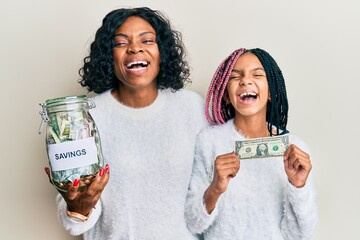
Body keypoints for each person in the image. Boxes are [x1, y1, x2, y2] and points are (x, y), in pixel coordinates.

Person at [44, 7, 207, 239]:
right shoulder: (88, 117)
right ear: (109, 56)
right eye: (121, 43)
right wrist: (79, 208)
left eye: (147, 40)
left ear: (162, 51)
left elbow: (208, 192)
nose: (135, 48)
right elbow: (76, 222)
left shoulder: (191, 108)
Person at [185, 48, 317, 239]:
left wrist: (298, 186)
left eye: (257, 74)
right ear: (226, 95)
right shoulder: (209, 142)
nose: (246, 80)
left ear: (271, 91)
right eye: (235, 76)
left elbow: (300, 235)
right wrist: (215, 188)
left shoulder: (295, 150)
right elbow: (192, 224)